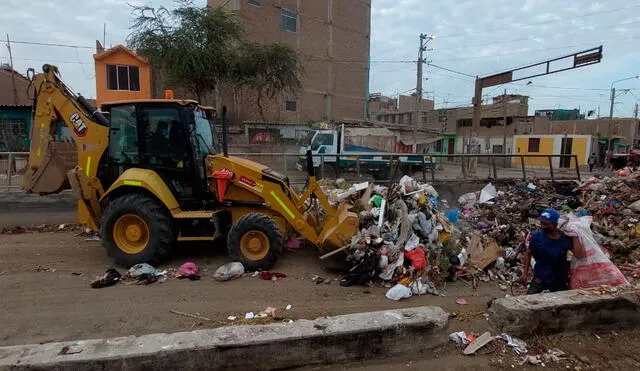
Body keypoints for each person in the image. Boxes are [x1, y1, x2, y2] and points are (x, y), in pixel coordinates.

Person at [519, 209, 586, 294]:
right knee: (528, 302)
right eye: (542, 223)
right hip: (540, 277)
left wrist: (576, 235)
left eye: (546, 224)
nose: (543, 226)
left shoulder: (564, 238)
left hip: (558, 280)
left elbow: (579, 255)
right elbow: (528, 254)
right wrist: (525, 273)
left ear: (555, 224)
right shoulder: (537, 237)